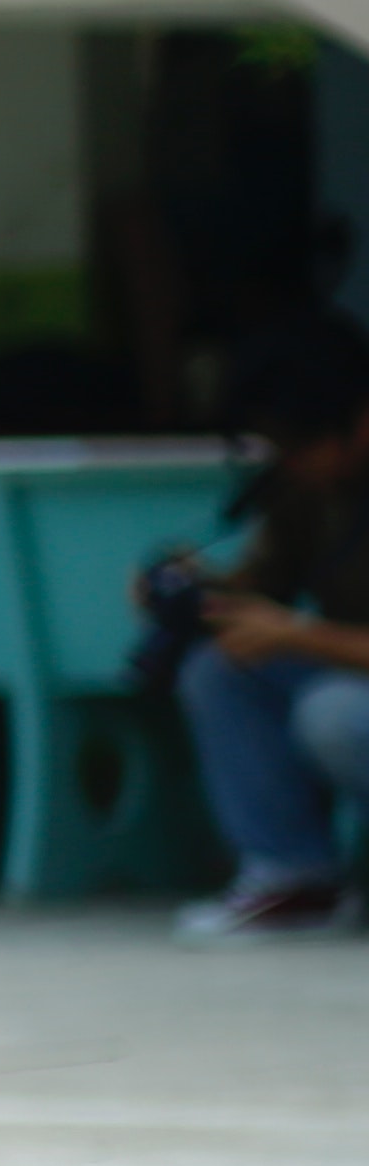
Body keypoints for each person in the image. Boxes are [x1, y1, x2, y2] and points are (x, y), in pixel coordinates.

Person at [171, 309, 369, 939]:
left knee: (334, 713)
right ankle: (294, 880)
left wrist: (299, 635)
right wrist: (195, 591)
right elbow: (260, 590)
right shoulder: (308, 491)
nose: (289, 461)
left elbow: (294, 630)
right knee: (223, 668)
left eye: (298, 443)